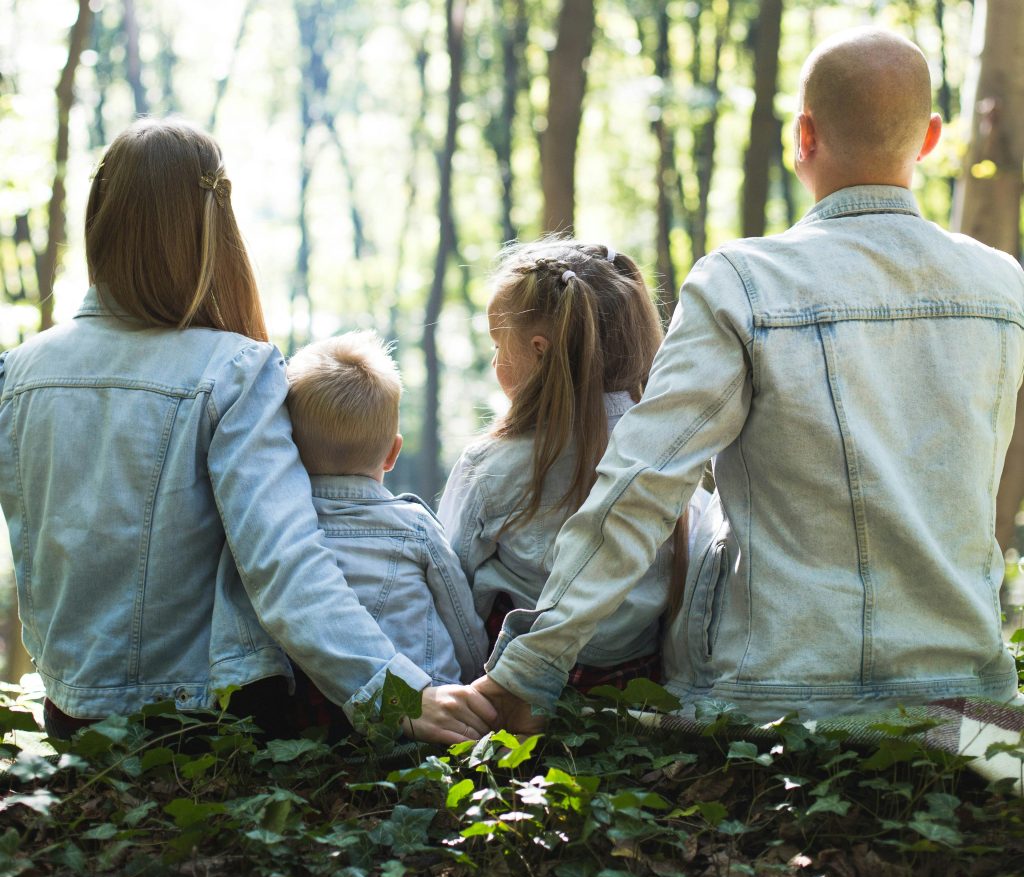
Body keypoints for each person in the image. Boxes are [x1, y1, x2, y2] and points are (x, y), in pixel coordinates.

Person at [473, 28, 1024, 729]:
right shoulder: (1004, 287)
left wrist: (530, 668)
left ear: (803, 136)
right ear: (931, 139)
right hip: (969, 701)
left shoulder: (743, 283)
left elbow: (642, 484)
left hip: (773, 698)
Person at [0, 118, 495, 744]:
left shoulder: (17, 372)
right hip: (202, 724)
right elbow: (284, 563)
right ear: (212, 228)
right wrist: (397, 694)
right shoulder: (234, 370)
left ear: (100, 217)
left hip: (71, 718)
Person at [438, 240, 710, 692]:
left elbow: (451, 585)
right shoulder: (671, 457)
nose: (493, 361)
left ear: (539, 351)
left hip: (511, 689)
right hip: (637, 688)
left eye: (498, 345)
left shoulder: (490, 465)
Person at [284, 330, 487, 687]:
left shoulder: (280, 529)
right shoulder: (415, 527)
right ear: (393, 454)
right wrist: (474, 679)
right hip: (427, 702)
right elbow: (462, 623)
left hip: (321, 710)